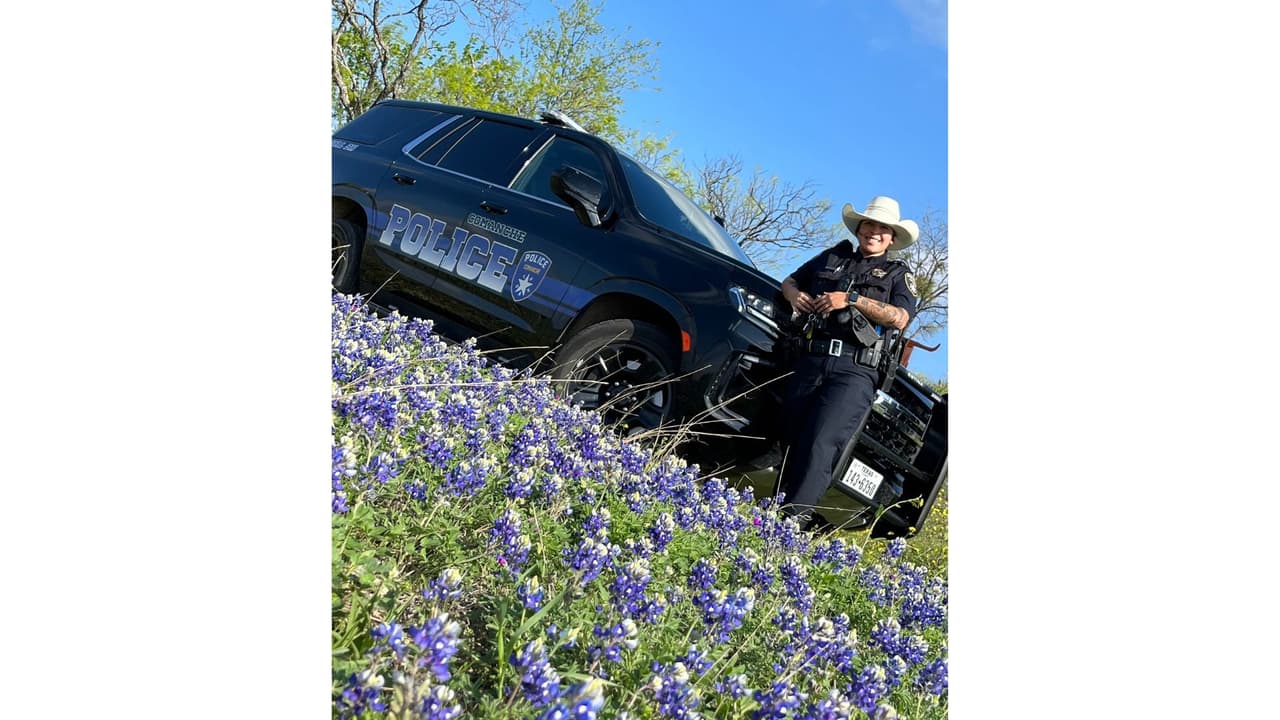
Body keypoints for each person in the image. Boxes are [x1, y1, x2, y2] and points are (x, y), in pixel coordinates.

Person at [774, 195, 919, 531]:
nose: (874, 232)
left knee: (821, 441)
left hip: (855, 370)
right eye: (870, 224)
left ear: (892, 238)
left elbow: (899, 318)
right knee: (790, 433)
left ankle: (790, 526)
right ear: (860, 228)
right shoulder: (834, 256)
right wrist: (795, 296)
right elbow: (790, 280)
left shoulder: (898, 274)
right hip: (812, 357)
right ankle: (781, 512)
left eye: (883, 228)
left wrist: (851, 298)